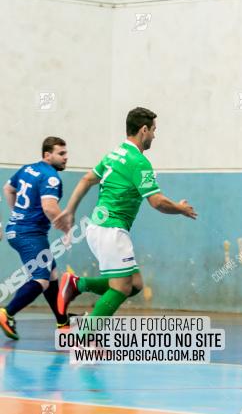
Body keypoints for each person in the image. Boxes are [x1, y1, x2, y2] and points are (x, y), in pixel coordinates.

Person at [53, 107, 197, 318]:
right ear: (144, 130)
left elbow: (86, 179)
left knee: (135, 284)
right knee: (121, 288)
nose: (155, 135)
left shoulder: (114, 154)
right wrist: (180, 208)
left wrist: (70, 210)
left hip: (96, 227)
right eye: (154, 130)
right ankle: (85, 337)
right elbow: (157, 202)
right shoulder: (139, 162)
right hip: (112, 230)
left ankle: (76, 284)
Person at [0, 137, 73, 339]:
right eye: (61, 154)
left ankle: (63, 323)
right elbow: (49, 207)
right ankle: (7, 312)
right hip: (29, 234)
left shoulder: (27, 169)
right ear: (47, 155)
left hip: (18, 229)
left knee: (52, 275)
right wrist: (67, 229)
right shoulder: (50, 177)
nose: (66, 157)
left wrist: (16, 213)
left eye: (66, 153)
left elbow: (8, 189)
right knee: (41, 278)